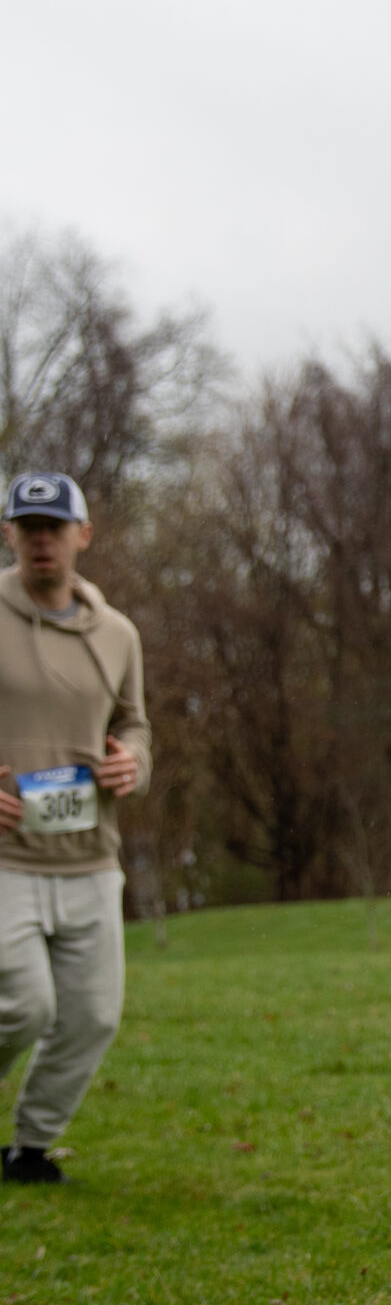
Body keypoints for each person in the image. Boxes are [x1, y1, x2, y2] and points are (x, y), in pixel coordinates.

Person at [0, 473, 149, 1184]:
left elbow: (135, 723)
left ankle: (30, 1147)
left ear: (82, 535)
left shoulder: (117, 634)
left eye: (54, 527)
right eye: (27, 527)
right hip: (6, 858)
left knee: (92, 1017)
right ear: (9, 534)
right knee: (24, 1006)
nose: (41, 540)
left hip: (90, 857)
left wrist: (133, 763)